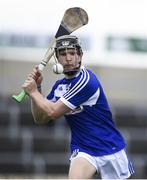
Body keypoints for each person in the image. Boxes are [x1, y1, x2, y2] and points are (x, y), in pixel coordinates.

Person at [22, 35, 134, 179]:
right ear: (57, 58)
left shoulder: (87, 81)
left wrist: (32, 92)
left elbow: (53, 112)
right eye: (63, 54)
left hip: (109, 149)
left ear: (80, 55)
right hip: (84, 150)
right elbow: (40, 118)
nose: (68, 58)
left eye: (72, 53)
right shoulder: (59, 87)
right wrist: (37, 89)